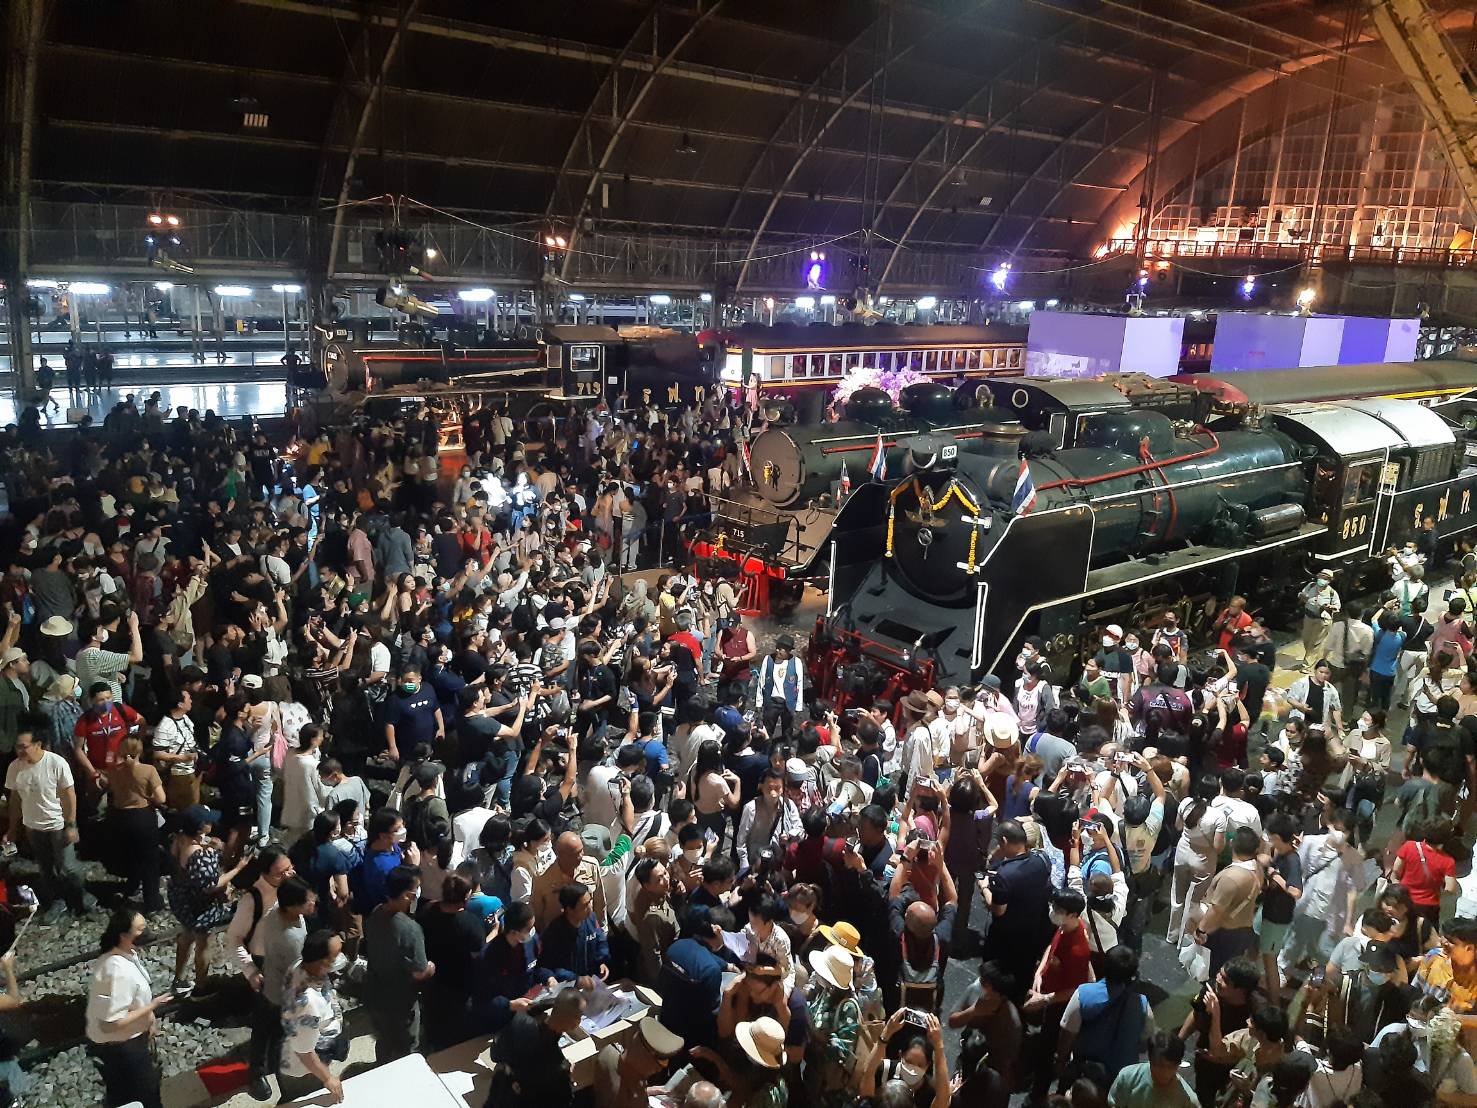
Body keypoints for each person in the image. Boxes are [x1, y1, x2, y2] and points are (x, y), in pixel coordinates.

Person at [5, 723, 95, 924]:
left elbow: (69, 796)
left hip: (57, 824)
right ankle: (57, 901)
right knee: (46, 868)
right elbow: (15, 799)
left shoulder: (56, 763)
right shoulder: (15, 767)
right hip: (33, 827)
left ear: (38, 744)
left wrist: (71, 825)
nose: (19, 751)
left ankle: (83, 899)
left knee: (67, 867)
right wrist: (12, 828)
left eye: (24, 746)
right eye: (17, 746)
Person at [86, 908, 172, 1108]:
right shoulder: (118, 972)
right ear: (124, 936)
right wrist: (152, 1006)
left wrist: (149, 1020)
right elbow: (111, 1023)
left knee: (127, 1091)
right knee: (145, 1094)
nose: (147, 932)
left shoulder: (125, 954)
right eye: (140, 929)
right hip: (123, 1047)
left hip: (129, 1041)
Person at [249, 876, 316, 1100]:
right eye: (307, 901)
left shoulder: (276, 912)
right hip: (283, 995)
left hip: (269, 980)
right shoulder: (292, 939)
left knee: (260, 1031)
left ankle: (256, 1072)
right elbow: (301, 973)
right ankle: (281, 1081)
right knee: (279, 1038)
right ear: (293, 906)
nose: (313, 902)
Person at [364, 864, 433, 1063]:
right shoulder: (410, 930)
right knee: (407, 1045)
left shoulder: (375, 913)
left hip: (376, 992)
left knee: (384, 1038)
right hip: (401, 999)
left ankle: (382, 1065)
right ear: (406, 895)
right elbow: (420, 971)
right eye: (416, 889)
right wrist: (431, 968)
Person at [276, 929, 347, 1104]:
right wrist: (327, 1078)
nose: (340, 958)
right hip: (305, 1072)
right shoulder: (308, 1004)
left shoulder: (300, 965)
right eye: (335, 956)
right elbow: (304, 1052)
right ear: (320, 962)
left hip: (313, 1048)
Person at [103, 737, 166, 913]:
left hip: (120, 818)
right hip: (142, 817)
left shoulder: (113, 770)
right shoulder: (148, 770)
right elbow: (161, 798)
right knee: (149, 861)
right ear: (140, 751)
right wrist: (149, 797)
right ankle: (152, 901)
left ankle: (131, 886)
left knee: (130, 856)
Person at [593, 1015, 684, 1108]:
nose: (658, 1070)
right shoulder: (632, 1099)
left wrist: (649, 1091)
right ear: (645, 1060)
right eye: (656, 1067)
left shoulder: (609, 1053)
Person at [1106, 1031, 1197, 1108]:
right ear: (1150, 1059)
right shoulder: (1127, 1077)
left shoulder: (1187, 1099)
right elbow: (1114, 1104)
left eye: (1171, 1066)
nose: (1165, 1072)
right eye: (1160, 1065)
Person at [1299, 569, 1341, 672]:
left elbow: (1337, 606)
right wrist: (1303, 597)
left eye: (1325, 578)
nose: (1322, 579)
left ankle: (1306, 666)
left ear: (1329, 581)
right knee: (1306, 639)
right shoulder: (1311, 586)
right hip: (1309, 617)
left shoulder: (1332, 593)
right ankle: (1312, 657)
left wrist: (1330, 606)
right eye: (1321, 577)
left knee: (1315, 643)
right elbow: (1301, 594)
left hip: (1322, 620)